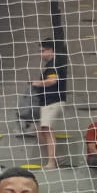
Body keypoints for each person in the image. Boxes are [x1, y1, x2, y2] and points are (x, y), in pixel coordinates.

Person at [31, 41, 67, 169]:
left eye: (43, 51)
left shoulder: (54, 64)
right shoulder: (49, 65)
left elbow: (52, 81)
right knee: (40, 130)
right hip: (46, 101)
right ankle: (57, 157)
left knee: (46, 128)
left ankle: (52, 161)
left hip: (53, 101)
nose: (41, 54)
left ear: (51, 50)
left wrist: (37, 83)